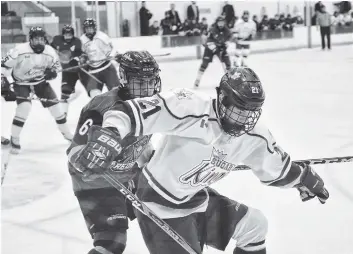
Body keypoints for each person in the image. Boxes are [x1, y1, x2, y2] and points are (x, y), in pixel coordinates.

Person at [69, 66, 329, 254]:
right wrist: (109, 137)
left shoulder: (255, 136)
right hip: (157, 204)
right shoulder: (190, 107)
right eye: (238, 110)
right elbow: (130, 112)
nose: (244, 120)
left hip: (195, 199)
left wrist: (305, 179)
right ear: (222, 99)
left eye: (250, 112)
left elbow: (277, 168)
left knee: (255, 225)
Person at [66, 51, 161, 254]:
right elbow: (73, 151)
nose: (145, 89)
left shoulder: (153, 105)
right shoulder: (102, 105)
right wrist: (90, 162)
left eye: (150, 82)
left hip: (126, 174)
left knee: (169, 209)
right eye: (138, 82)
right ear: (125, 79)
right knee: (111, 241)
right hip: (94, 180)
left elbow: (141, 144)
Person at [1, 26, 72, 153]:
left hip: (40, 82)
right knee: (24, 107)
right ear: (30, 40)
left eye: (41, 39)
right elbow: (3, 67)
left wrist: (53, 73)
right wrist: (4, 85)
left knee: (56, 107)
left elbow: (55, 67)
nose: (39, 42)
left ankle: (67, 134)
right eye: (36, 39)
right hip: (21, 83)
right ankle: (15, 138)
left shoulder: (50, 51)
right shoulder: (19, 50)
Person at [80, 18, 120, 98]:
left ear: (94, 28)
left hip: (107, 69)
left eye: (91, 28)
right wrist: (83, 59)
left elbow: (112, 50)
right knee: (94, 95)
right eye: (87, 28)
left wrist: (113, 56)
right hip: (93, 71)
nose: (89, 30)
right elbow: (82, 54)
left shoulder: (102, 37)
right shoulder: (82, 39)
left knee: (116, 93)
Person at [50, 24, 83, 116]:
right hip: (68, 71)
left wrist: (76, 58)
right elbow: (49, 48)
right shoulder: (57, 40)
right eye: (66, 34)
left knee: (93, 89)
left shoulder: (77, 41)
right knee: (65, 90)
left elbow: (79, 53)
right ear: (63, 34)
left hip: (81, 70)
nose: (68, 36)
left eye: (70, 34)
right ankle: (64, 113)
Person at [194, 16, 233, 88]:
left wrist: (226, 44)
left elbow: (229, 38)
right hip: (210, 48)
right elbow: (206, 40)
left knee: (227, 62)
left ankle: (230, 80)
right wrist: (213, 48)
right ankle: (198, 79)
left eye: (222, 22)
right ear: (216, 23)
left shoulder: (227, 30)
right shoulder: (212, 29)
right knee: (204, 64)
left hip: (220, 47)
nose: (221, 24)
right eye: (219, 22)